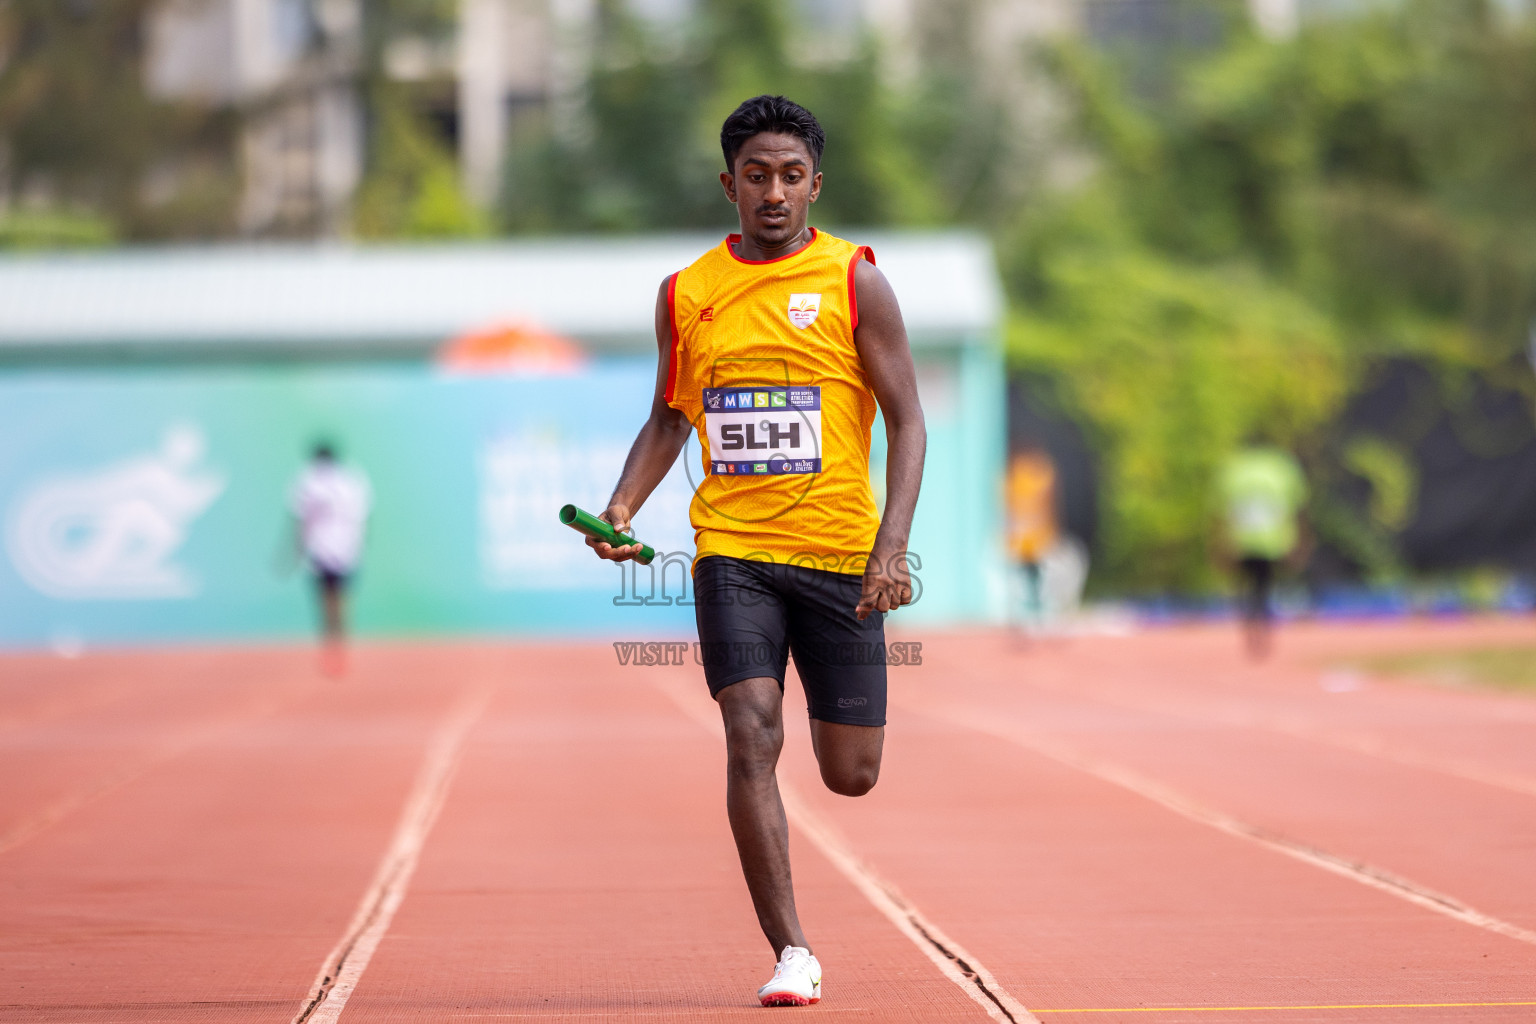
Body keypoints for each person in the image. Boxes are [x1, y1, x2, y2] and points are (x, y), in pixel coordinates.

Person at [585, 95, 925, 1007]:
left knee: (851, 776)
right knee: (750, 733)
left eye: (791, 175)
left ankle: (798, 919)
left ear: (816, 183)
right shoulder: (688, 293)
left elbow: (908, 417)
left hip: (841, 557)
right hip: (731, 550)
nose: (773, 192)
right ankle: (792, 952)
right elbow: (669, 416)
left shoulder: (857, 280)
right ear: (728, 183)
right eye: (756, 175)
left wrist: (892, 546)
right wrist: (623, 507)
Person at [1219, 441, 1307, 660]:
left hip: (1243, 541)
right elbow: (1296, 509)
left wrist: (1221, 544)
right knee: (1263, 586)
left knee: (1247, 587)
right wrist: (1299, 542)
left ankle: (1252, 624)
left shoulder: (1234, 470)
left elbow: (1223, 512)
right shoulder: (1281, 470)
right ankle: (1263, 626)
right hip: (1271, 542)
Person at [290, 442, 371, 675]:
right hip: (347, 548)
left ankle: (331, 644)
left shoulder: (309, 481)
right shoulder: (352, 480)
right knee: (341, 599)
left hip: (321, 548)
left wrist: (297, 548)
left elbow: (300, 518)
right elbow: (363, 515)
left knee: (325, 600)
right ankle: (339, 644)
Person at [1005, 447, 1059, 633]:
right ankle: (1026, 618)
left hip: (1034, 539)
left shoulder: (1027, 476)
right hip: (1026, 540)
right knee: (1023, 581)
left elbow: (1049, 505)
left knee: (1038, 581)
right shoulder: (1024, 477)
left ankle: (1038, 617)